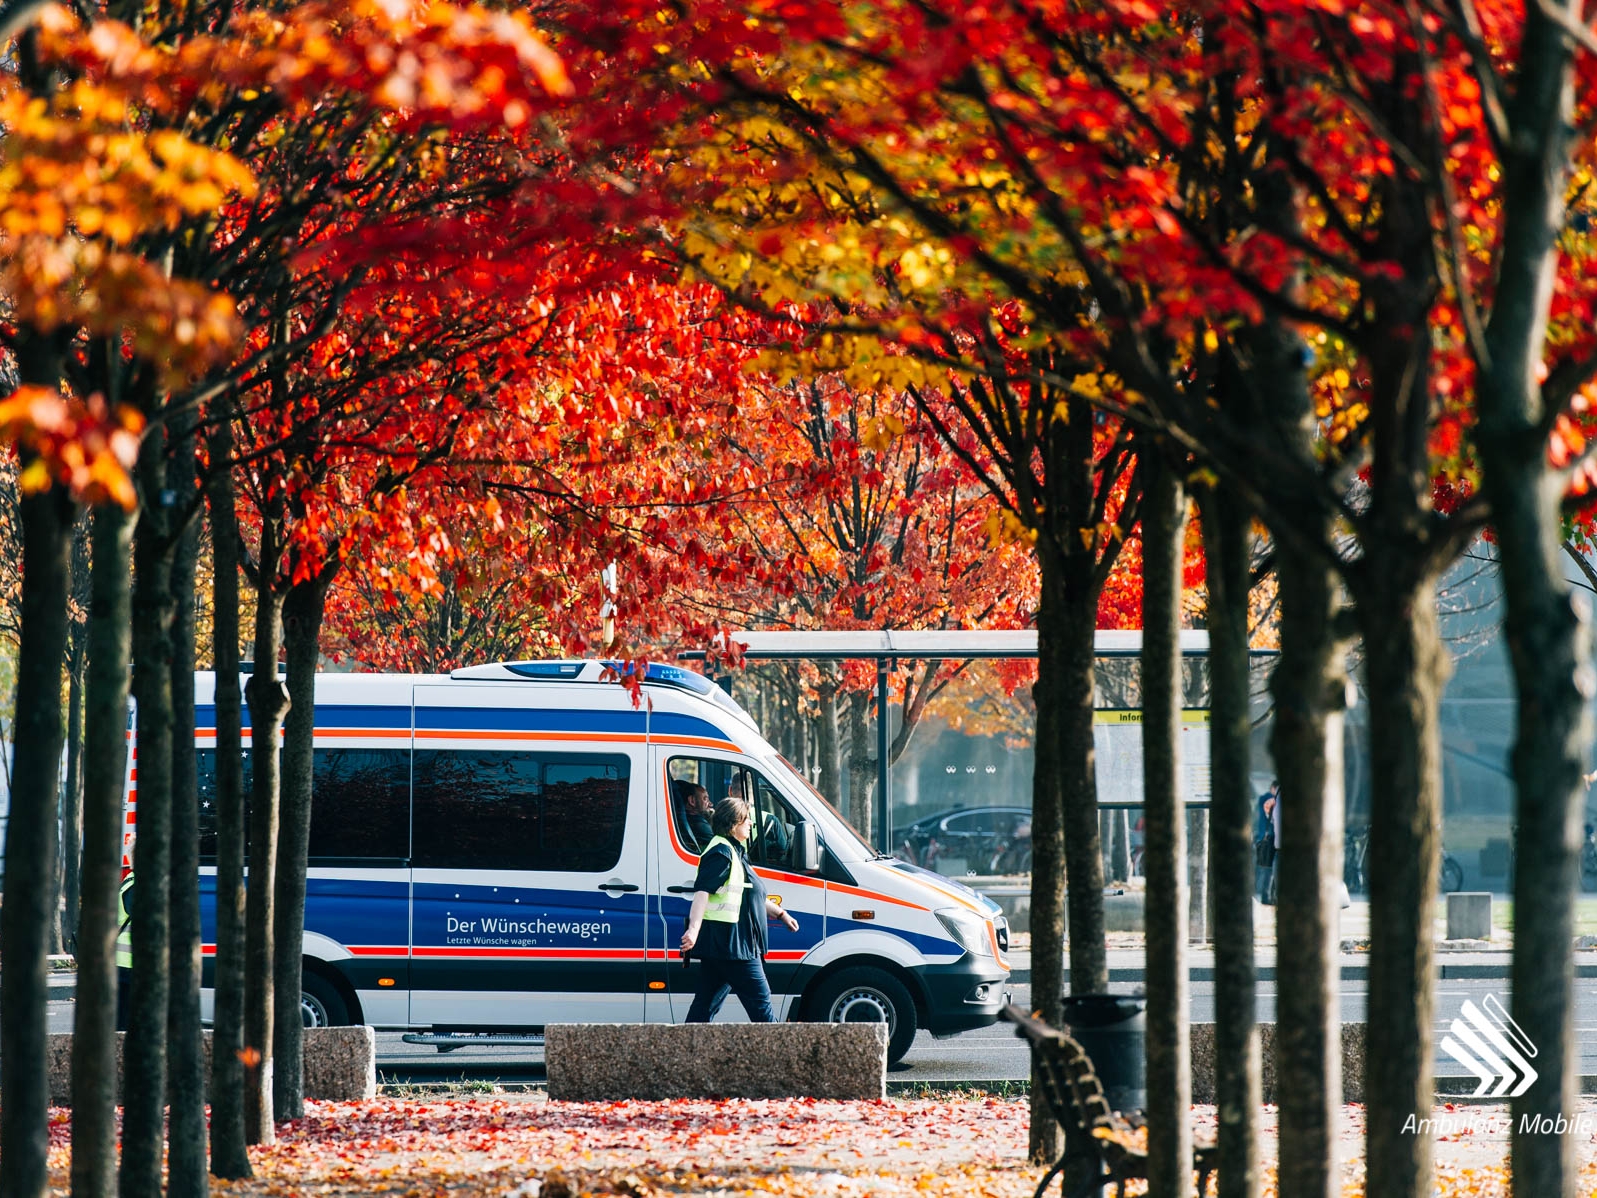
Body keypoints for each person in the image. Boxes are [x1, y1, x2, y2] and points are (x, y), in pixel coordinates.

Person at [679, 794, 799, 1023]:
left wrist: (781, 914)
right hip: (735, 947)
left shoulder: (734, 851)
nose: (751, 824)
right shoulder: (721, 853)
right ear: (734, 824)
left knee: (703, 1010)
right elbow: (702, 892)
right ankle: (780, 1056)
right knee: (762, 1010)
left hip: (724, 946)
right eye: (747, 821)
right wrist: (693, 930)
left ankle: (684, 1055)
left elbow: (748, 894)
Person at [116, 869, 135, 1031]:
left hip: (123, 963)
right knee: (124, 1023)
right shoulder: (135, 887)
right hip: (127, 965)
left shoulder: (129, 882)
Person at [1254, 781, 1278, 906]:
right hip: (1270, 838)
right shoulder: (1270, 800)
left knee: (1265, 868)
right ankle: (1267, 895)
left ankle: (1266, 894)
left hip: (1264, 837)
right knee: (1269, 869)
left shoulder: (1264, 799)